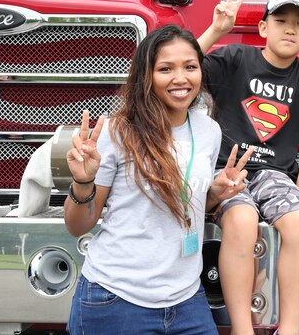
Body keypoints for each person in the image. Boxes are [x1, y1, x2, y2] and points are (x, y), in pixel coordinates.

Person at [64, 24, 253, 335]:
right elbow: (77, 226)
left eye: (190, 67)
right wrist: (82, 182)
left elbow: (177, 203)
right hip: (116, 299)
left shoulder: (209, 130)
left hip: (187, 300)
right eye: (166, 69)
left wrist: (215, 193)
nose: (181, 78)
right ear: (146, 76)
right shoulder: (117, 131)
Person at [198, 0, 299, 335]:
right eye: (281, 20)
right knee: (241, 220)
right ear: (264, 27)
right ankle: (242, 328)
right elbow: (183, 63)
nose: (289, 29)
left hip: (273, 173)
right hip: (226, 168)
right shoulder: (235, 58)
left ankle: (290, 328)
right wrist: (217, 29)